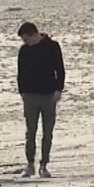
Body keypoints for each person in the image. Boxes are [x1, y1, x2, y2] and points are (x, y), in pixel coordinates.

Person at [17, 22, 66, 178]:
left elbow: (60, 70)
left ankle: (44, 165)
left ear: (33, 34)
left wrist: (59, 89)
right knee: (30, 132)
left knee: (47, 132)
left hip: (48, 96)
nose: (25, 43)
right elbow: (20, 74)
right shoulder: (24, 51)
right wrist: (22, 92)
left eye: (26, 39)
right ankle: (30, 164)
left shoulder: (52, 47)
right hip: (30, 96)